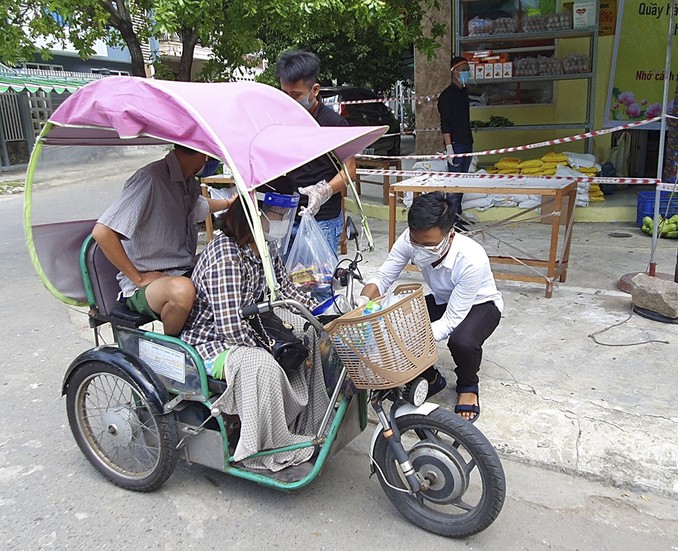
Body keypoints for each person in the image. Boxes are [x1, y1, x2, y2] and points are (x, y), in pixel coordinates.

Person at [181, 196, 329, 480]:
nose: (283, 220)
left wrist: (319, 313)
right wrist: (274, 350)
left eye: (286, 214)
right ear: (254, 214)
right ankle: (261, 448)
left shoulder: (265, 246)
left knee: (310, 334)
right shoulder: (225, 255)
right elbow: (231, 327)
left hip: (254, 327)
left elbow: (285, 291)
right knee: (262, 365)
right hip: (213, 343)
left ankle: (304, 424)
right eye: (278, 214)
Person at [359, 192, 503, 422]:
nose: (420, 249)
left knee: (462, 341)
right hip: (442, 298)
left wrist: (415, 338)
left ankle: (468, 385)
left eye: (428, 244)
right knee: (394, 322)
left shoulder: (472, 259)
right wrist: (363, 301)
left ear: (450, 234)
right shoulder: (410, 238)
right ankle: (432, 378)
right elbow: (385, 274)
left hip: (480, 304)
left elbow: (452, 320)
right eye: (416, 242)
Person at [93, 145, 235, 336]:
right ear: (202, 153)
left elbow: (199, 206)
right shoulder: (150, 179)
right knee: (182, 291)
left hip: (183, 269)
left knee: (228, 258)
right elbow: (103, 232)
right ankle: (173, 349)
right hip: (147, 283)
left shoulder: (188, 182)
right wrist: (140, 279)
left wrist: (228, 204)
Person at [267, 50, 356, 254]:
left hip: (322, 219)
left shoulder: (333, 124)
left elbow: (350, 171)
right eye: (284, 94)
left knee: (320, 282)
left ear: (314, 90)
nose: (289, 101)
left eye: (296, 95)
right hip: (287, 216)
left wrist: (323, 191)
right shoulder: (282, 122)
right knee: (289, 282)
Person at [437, 56, 474, 215]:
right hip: (456, 143)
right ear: (455, 72)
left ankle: (457, 215)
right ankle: (451, 219)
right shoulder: (447, 96)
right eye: (464, 70)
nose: (467, 73)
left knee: (462, 182)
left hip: (467, 142)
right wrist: (449, 147)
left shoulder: (464, 92)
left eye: (468, 69)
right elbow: (445, 123)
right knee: (454, 184)